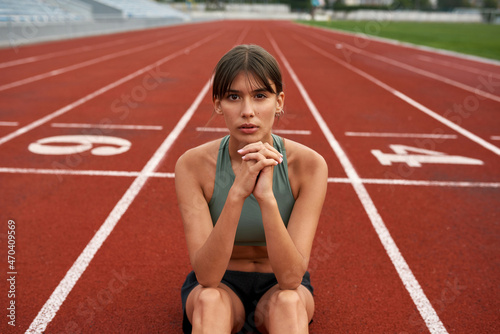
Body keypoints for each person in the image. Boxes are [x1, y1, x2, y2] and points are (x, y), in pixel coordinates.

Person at [175, 44, 328, 334]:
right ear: (218, 103)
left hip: (279, 285)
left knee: (289, 303)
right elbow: (206, 276)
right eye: (234, 97)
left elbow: (292, 278)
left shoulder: (309, 166)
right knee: (208, 301)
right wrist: (235, 194)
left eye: (260, 96)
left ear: (279, 102)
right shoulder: (192, 166)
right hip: (221, 285)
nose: (247, 111)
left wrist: (267, 199)